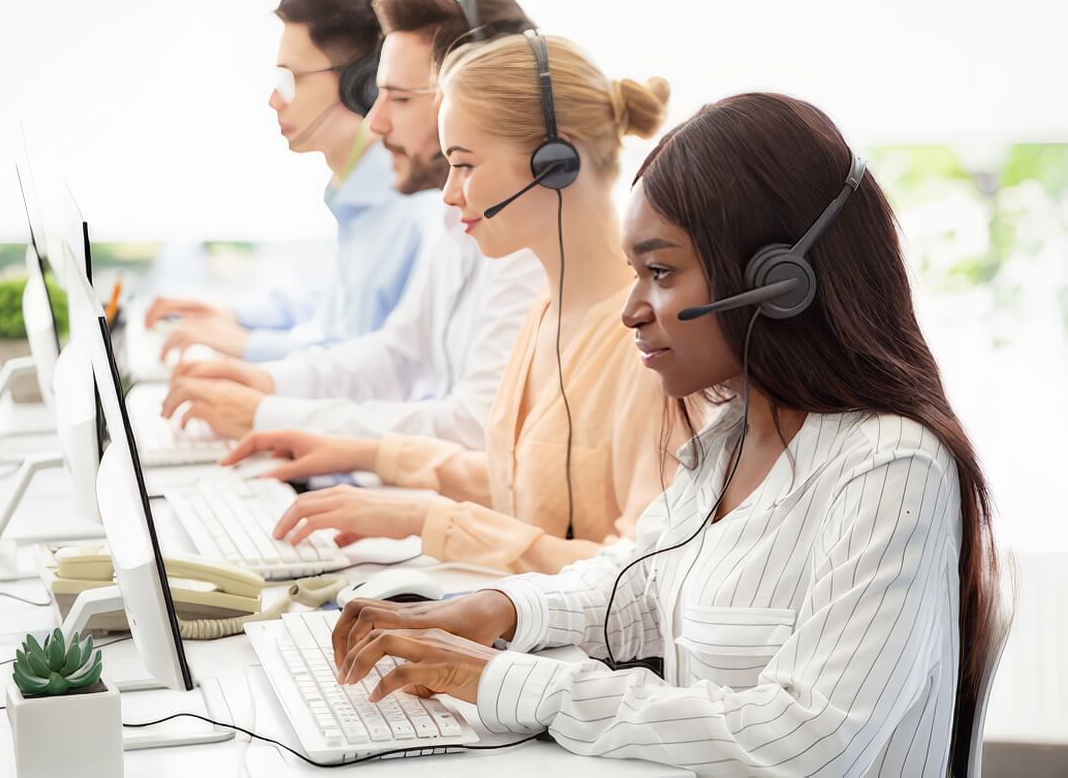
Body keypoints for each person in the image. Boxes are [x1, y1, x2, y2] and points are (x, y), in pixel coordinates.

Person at [323, 93, 1002, 777]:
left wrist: (502, 681)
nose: (631, 310)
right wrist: (491, 609)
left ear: (777, 281)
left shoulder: (891, 465)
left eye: (661, 271)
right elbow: (642, 584)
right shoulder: (733, 430)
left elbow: (807, 736)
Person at [224, 33, 690, 575]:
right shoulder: (546, 309)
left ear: (554, 163)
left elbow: (640, 574)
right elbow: (526, 485)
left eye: (464, 165)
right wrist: (371, 460)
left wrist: (433, 522)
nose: (448, 193)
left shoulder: (649, 345)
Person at [161, 0, 543, 447]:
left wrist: (268, 411)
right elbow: (396, 355)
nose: (375, 121)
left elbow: (473, 428)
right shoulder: (451, 223)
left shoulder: (520, 244)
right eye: (378, 95)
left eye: (399, 99)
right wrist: (267, 385)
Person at [144, 0, 434, 362]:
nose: (274, 99)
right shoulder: (355, 195)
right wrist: (234, 317)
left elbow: (360, 356)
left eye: (292, 79)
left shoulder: (408, 209)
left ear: (360, 84)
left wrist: (244, 346)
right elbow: (333, 303)